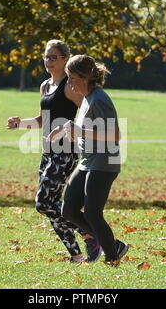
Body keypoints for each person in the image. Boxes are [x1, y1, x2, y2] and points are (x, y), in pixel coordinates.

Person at [6, 40, 102, 263]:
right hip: (48, 151)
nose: (48, 61)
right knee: (51, 204)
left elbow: (91, 112)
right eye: (46, 57)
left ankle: (89, 233)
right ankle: (76, 255)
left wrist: (78, 132)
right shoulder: (45, 86)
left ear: (64, 59)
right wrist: (20, 123)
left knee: (43, 203)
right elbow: (42, 120)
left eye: (52, 57)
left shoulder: (71, 86)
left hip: (66, 152)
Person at [48, 54, 129, 265]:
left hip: (104, 161)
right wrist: (65, 128)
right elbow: (85, 128)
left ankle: (112, 257)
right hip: (88, 160)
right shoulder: (86, 98)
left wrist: (80, 130)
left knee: (93, 212)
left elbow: (115, 135)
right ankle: (114, 245)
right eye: (68, 77)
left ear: (85, 77)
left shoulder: (100, 99)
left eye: (73, 77)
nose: (70, 82)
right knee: (69, 210)